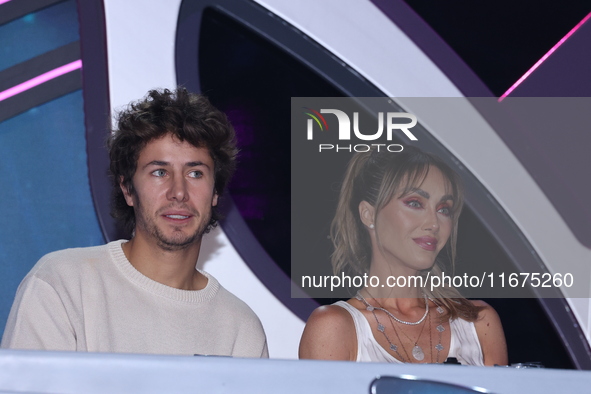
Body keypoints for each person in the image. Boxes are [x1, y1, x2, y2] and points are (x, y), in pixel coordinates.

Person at [1, 87, 268, 357]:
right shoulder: (62, 285)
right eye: (160, 172)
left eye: (196, 173)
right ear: (128, 189)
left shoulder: (241, 328)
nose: (179, 191)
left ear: (216, 193)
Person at [299, 146, 507, 365]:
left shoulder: (478, 322)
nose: (434, 223)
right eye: (415, 203)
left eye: (444, 209)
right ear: (368, 214)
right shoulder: (335, 327)